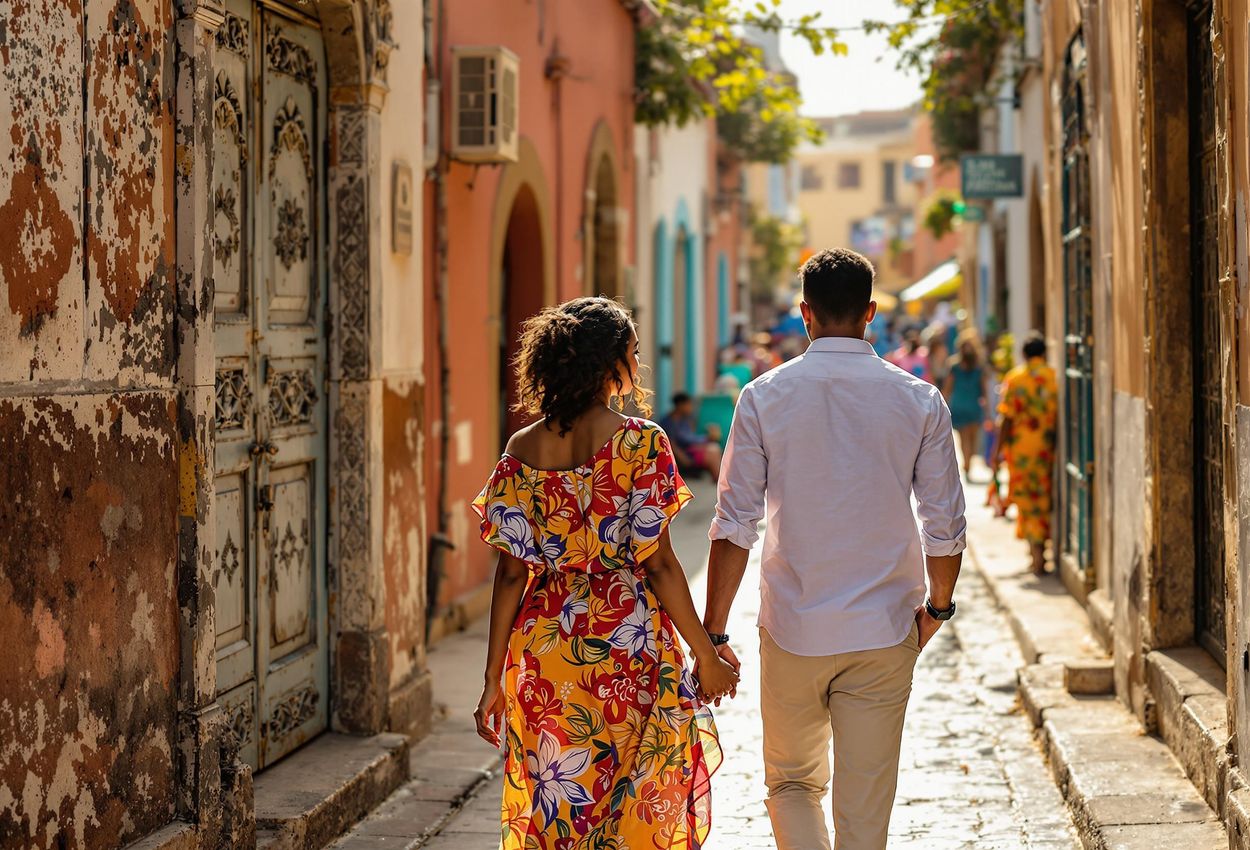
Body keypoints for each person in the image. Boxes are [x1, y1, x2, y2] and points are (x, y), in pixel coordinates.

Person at [701, 248, 967, 850]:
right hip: (884, 625)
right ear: (870, 312)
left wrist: (714, 632)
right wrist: (938, 608)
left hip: (793, 624)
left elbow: (734, 522)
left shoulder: (764, 396)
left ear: (805, 314)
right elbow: (944, 522)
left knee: (792, 785)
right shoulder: (920, 400)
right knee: (866, 807)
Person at [471, 297, 737, 848]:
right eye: (633, 355)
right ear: (610, 363)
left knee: (563, 807)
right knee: (633, 801)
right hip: (627, 646)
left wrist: (492, 678)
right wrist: (705, 653)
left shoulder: (521, 450)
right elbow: (659, 563)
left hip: (546, 656)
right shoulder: (642, 442)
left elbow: (509, 577)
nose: (636, 366)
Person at [991, 331, 1058, 576]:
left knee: (1027, 503)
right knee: (1042, 498)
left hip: (1021, 450)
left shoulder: (1015, 378)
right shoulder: (1051, 377)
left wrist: (996, 452)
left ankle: (1036, 555)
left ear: (1023, 354)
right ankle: (1040, 555)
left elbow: (1006, 419)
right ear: (1044, 353)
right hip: (1047, 449)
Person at [943, 329, 988, 480]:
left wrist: (942, 406)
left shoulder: (955, 365)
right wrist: (987, 410)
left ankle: (967, 464)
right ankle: (968, 463)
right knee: (972, 438)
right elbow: (984, 390)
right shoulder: (978, 366)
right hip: (971, 407)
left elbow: (947, 389)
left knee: (965, 438)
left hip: (961, 406)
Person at [659, 392, 724, 480]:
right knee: (712, 451)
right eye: (688, 404)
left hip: (691, 449)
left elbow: (690, 438)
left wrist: (707, 438)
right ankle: (718, 480)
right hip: (684, 454)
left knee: (714, 448)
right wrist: (683, 458)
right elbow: (670, 444)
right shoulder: (668, 422)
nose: (690, 407)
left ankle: (719, 479)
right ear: (680, 405)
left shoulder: (684, 420)